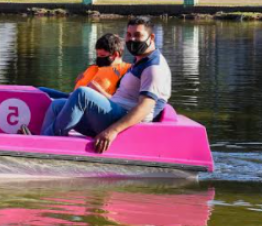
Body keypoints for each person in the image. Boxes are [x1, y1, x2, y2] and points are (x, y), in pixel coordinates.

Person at [41, 17, 172, 154]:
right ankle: (41, 140)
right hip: (113, 114)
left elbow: (145, 108)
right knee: (57, 105)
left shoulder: (154, 67)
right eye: (129, 35)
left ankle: (46, 147)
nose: (132, 39)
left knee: (82, 94)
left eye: (137, 35)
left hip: (125, 123)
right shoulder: (140, 61)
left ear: (151, 37)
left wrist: (112, 131)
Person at [37, 33, 131, 102]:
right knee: (39, 91)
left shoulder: (126, 71)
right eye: (97, 54)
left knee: (51, 101)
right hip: (71, 97)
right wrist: (78, 81)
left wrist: (99, 90)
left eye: (102, 55)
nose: (99, 58)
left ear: (115, 55)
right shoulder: (97, 68)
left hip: (89, 105)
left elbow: (119, 103)